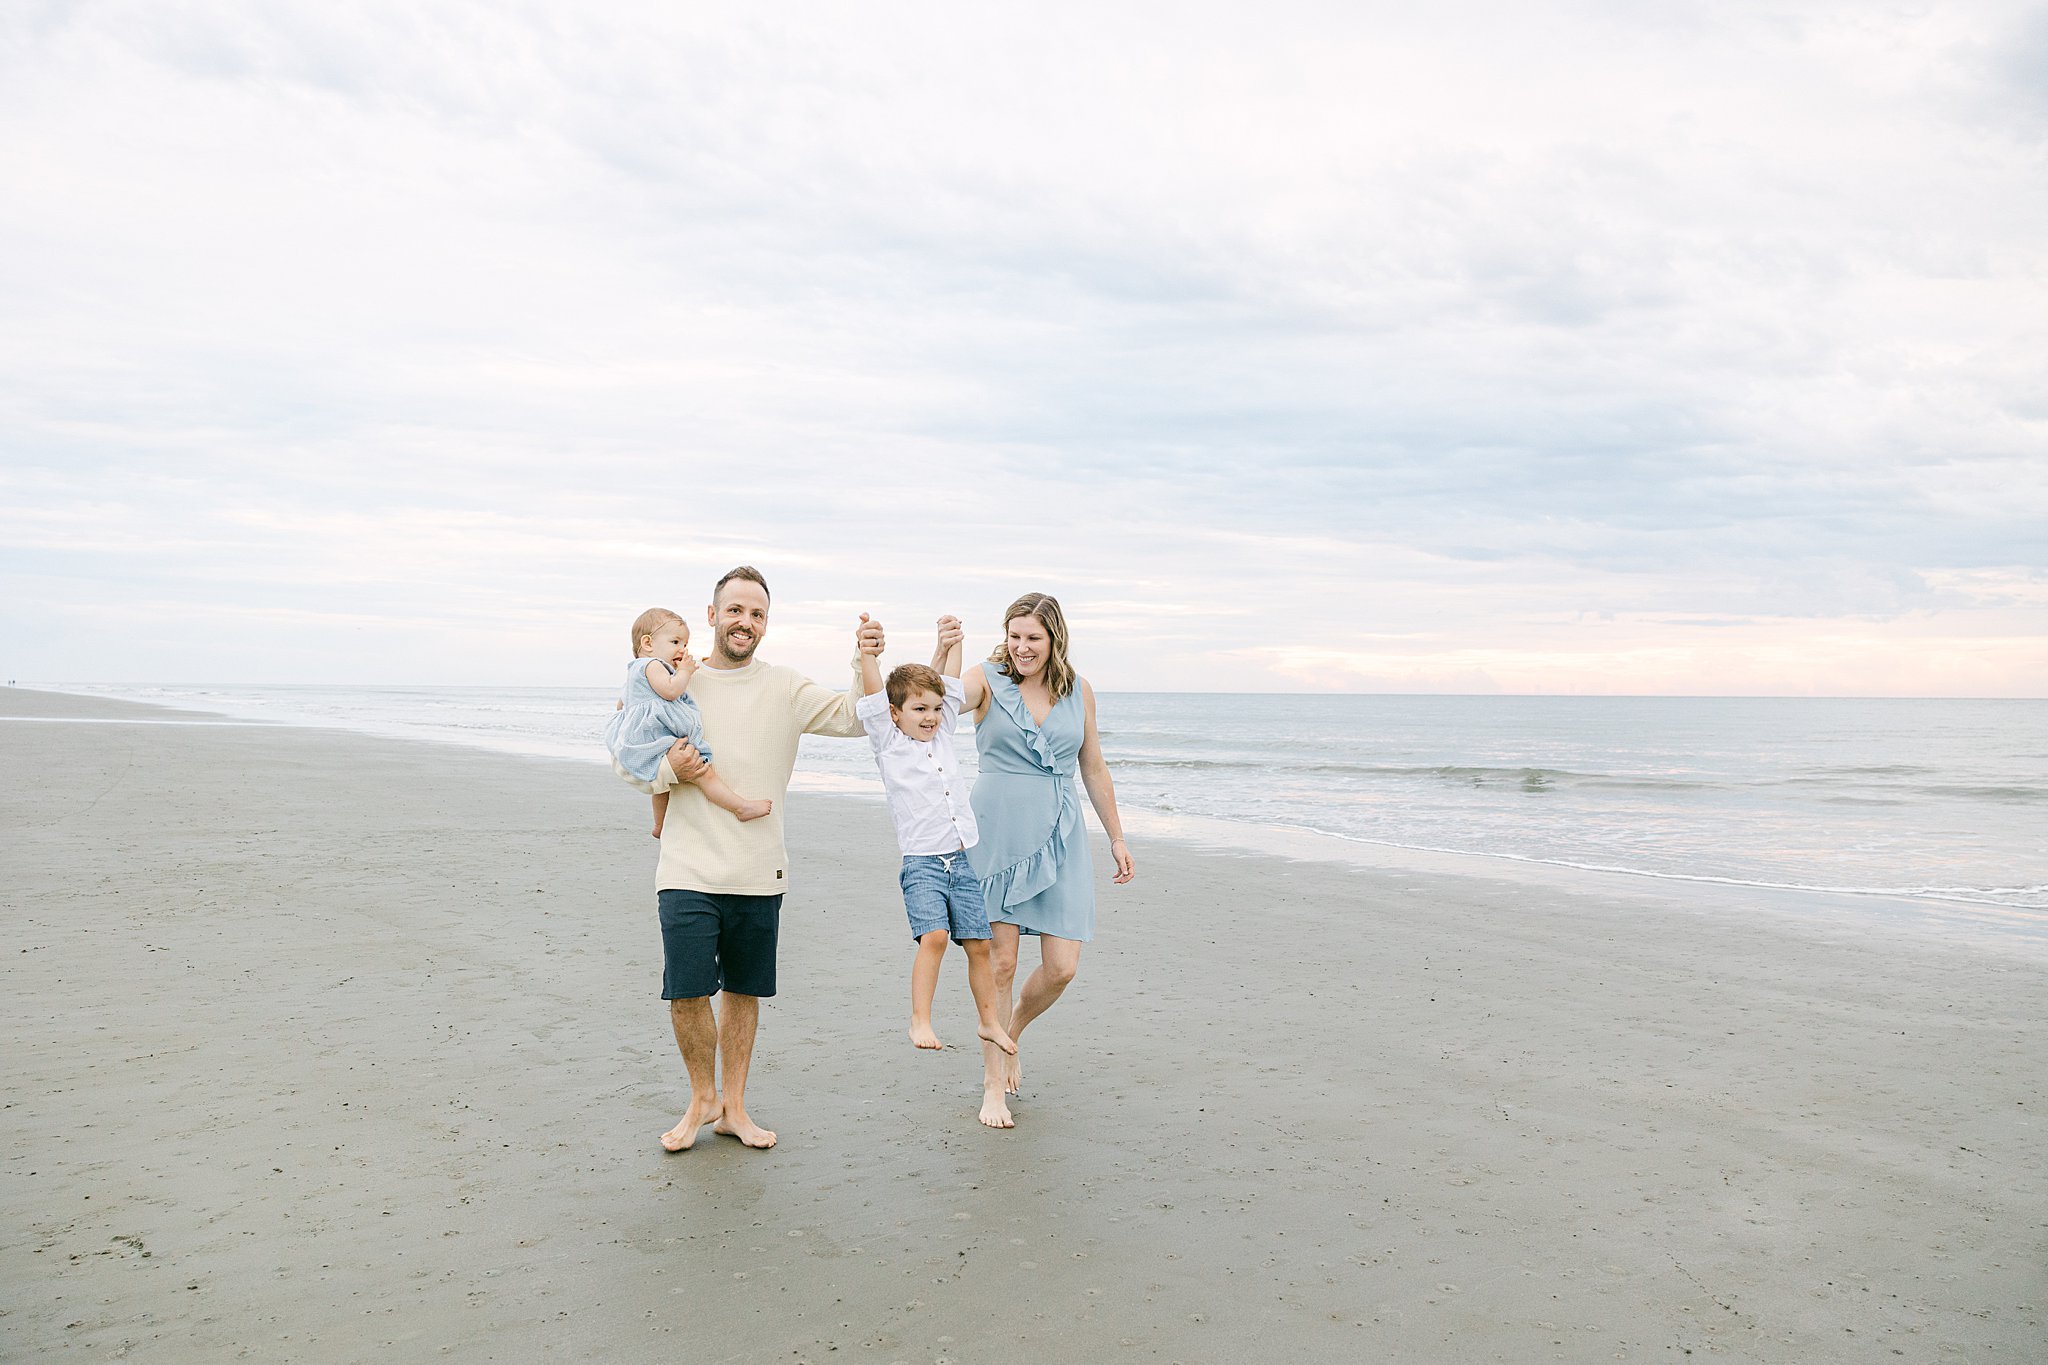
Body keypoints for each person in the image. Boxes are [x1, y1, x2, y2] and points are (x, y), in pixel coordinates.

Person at [614, 566, 882, 1152]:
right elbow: (625, 755)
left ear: (766, 624)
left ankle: (734, 1106)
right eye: (734, 610)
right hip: (686, 867)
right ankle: (700, 1098)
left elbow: (855, 717)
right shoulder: (670, 680)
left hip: (760, 868)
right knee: (685, 992)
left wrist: (865, 659)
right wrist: (669, 770)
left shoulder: (784, 686)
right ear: (712, 616)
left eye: (756, 613)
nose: (745, 622)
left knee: (742, 992)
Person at [956, 595, 1134, 1130]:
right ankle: (993, 1086)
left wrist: (1117, 837)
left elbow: (1094, 766)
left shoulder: (1079, 691)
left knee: (1062, 967)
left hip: (1060, 829)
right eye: (1014, 635)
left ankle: (1011, 1028)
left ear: (1054, 638)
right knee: (1001, 962)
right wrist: (942, 650)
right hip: (996, 829)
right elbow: (937, 701)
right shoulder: (985, 678)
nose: (1022, 647)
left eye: (1033, 637)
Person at [856, 618, 1018, 1060]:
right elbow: (874, 693)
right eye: (918, 710)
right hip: (923, 863)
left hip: (960, 860)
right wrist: (869, 653)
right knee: (936, 938)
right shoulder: (888, 744)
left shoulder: (943, 731)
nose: (929, 717)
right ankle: (920, 1018)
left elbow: (948, 684)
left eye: (933, 709)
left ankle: (988, 1022)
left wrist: (951, 642)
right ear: (896, 714)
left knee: (980, 945)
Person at [605, 607, 771, 839]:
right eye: (675, 642)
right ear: (648, 643)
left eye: (684, 644)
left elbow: (621, 706)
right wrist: (684, 672)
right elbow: (671, 691)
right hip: (658, 740)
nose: (682, 649)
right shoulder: (651, 665)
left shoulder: (634, 672)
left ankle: (659, 824)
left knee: (663, 786)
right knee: (704, 774)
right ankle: (740, 807)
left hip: (648, 740)